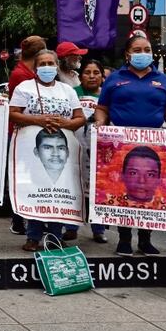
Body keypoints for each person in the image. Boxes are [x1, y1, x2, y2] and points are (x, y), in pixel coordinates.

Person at [94, 35, 166, 257]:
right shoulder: (115, 79)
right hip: (121, 145)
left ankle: (145, 240)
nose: (143, 54)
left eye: (147, 49)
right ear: (127, 54)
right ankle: (124, 239)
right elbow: (103, 107)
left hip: (154, 145)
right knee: (124, 190)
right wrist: (100, 122)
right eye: (137, 50)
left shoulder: (162, 79)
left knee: (148, 192)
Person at [9, 49, 85, 251]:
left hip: (61, 151)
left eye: (50, 63)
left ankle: (54, 236)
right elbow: (13, 114)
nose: (47, 67)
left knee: (58, 191)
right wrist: (38, 120)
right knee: (37, 191)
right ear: (35, 68)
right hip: (33, 152)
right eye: (42, 64)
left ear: (57, 66)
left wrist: (65, 123)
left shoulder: (67, 90)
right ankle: (33, 237)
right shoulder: (24, 88)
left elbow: (80, 118)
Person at [7, 36, 47, 235]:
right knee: (24, 177)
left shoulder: (26, 72)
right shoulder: (22, 75)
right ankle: (18, 219)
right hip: (22, 130)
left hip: (31, 128)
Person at [72, 58, 107, 243]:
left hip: (99, 151)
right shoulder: (72, 93)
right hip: (76, 147)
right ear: (81, 76)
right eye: (87, 72)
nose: (92, 76)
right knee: (74, 187)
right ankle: (71, 227)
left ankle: (98, 229)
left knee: (97, 189)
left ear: (102, 77)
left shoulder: (108, 95)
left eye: (96, 73)